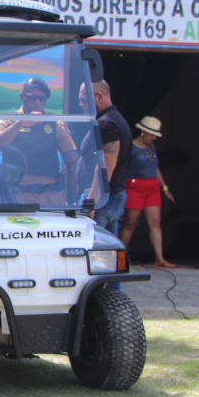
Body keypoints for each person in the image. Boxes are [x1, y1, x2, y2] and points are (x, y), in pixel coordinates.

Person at [78, 79, 132, 290]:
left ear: (99, 96)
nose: (81, 104)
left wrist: (91, 202)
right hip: (111, 197)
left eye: (83, 99)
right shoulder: (112, 120)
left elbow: (105, 169)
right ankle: (112, 297)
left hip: (103, 199)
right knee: (110, 254)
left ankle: (97, 301)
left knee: (92, 255)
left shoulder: (108, 123)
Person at [0, 77, 78, 204]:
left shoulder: (55, 125)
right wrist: (19, 124)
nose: (37, 102)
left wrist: (72, 197)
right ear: (23, 97)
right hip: (16, 196)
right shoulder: (8, 121)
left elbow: (72, 159)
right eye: (33, 97)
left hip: (48, 196)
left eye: (42, 99)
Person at [119, 116, 176, 267]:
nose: (153, 138)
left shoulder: (152, 148)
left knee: (155, 223)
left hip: (152, 188)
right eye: (151, 134)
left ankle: (160, 258)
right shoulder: (131, 147)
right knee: (130, 223)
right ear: (143, 132)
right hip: (134, 187)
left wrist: (164, 188)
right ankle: (119, 257)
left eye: (155, 135)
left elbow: (155, 168)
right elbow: (121, 166)